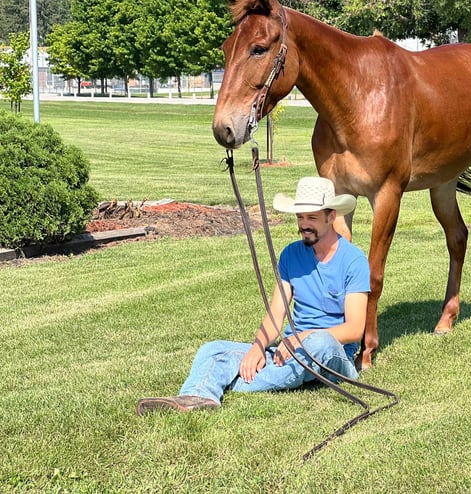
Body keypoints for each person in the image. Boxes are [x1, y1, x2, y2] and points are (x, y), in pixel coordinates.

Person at [137, 177, 369, 415]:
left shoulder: (354, 260)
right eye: (300, 217)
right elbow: (276, 314)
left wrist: (303, 338)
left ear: (331, 216)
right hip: (291, 350)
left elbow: (354, 329)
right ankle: (196, 396)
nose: (303, 224)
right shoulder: (290, 254)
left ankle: (226, 382)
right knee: (213, 349)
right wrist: (257, 347)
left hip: (334, 356)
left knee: (319, 343)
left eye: (311, 217)